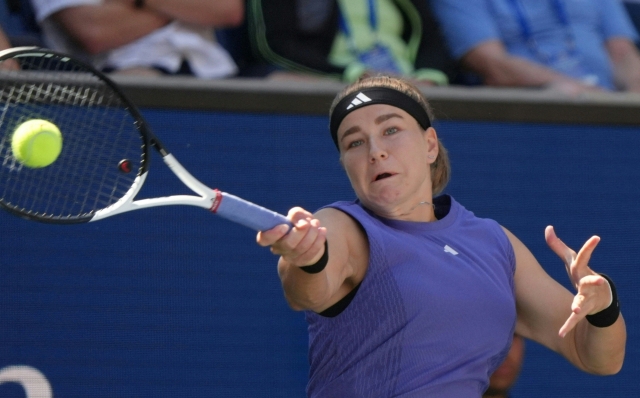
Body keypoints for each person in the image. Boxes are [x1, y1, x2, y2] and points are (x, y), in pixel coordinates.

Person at [256, 75, 626, 396]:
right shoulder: (342, 226)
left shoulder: (494, 243)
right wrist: (306, 257)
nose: (375, 151)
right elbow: (307, 290)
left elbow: (596, 356)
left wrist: (603, 305)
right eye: (355, 142)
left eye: (390, 130)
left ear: (430, 144)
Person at [429, 0, 640, 94]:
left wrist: (633, 94)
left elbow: (622, 52)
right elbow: (494, 67)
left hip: (609, 105)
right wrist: (586, 95)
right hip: (535, 109)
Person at [247, 0, 455, 86]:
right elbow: (273, 46)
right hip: (329, 79)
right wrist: (355, 74)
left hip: (407, 79)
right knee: (279, 81)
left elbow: (432, 37)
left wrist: (428, 79)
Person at [28, 0, 243, 77]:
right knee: (142, 82)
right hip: (120, 75)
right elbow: (96, 32)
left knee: (275, 85)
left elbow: (227, 9)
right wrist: (183, 9)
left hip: (213, 71)